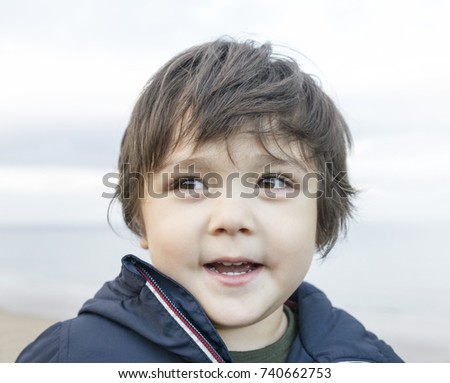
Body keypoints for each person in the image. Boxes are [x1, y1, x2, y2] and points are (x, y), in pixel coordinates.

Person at [17, 38, 403, 363]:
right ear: (140, 219)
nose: (232, 218)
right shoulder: (71, 358)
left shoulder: (367, 361)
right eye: (189, 184)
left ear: (322, 216)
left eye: (272, 181)